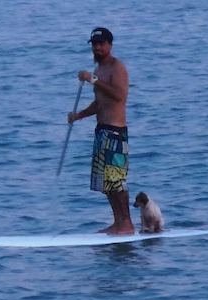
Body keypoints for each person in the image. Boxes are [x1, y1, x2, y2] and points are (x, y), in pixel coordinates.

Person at [68, 27, 134, 235]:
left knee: (116, 180)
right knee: (105, 183)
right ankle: (118, 222)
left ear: (110, 45)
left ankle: (127, 224)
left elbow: (119, 96)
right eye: (95, 44)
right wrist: (78, 115)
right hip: (101, 130)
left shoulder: (117, 68)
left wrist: (93, 80)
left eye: (101, 44)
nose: (97, 48)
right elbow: (99, 103)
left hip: (115, 132)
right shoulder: (98, 71)